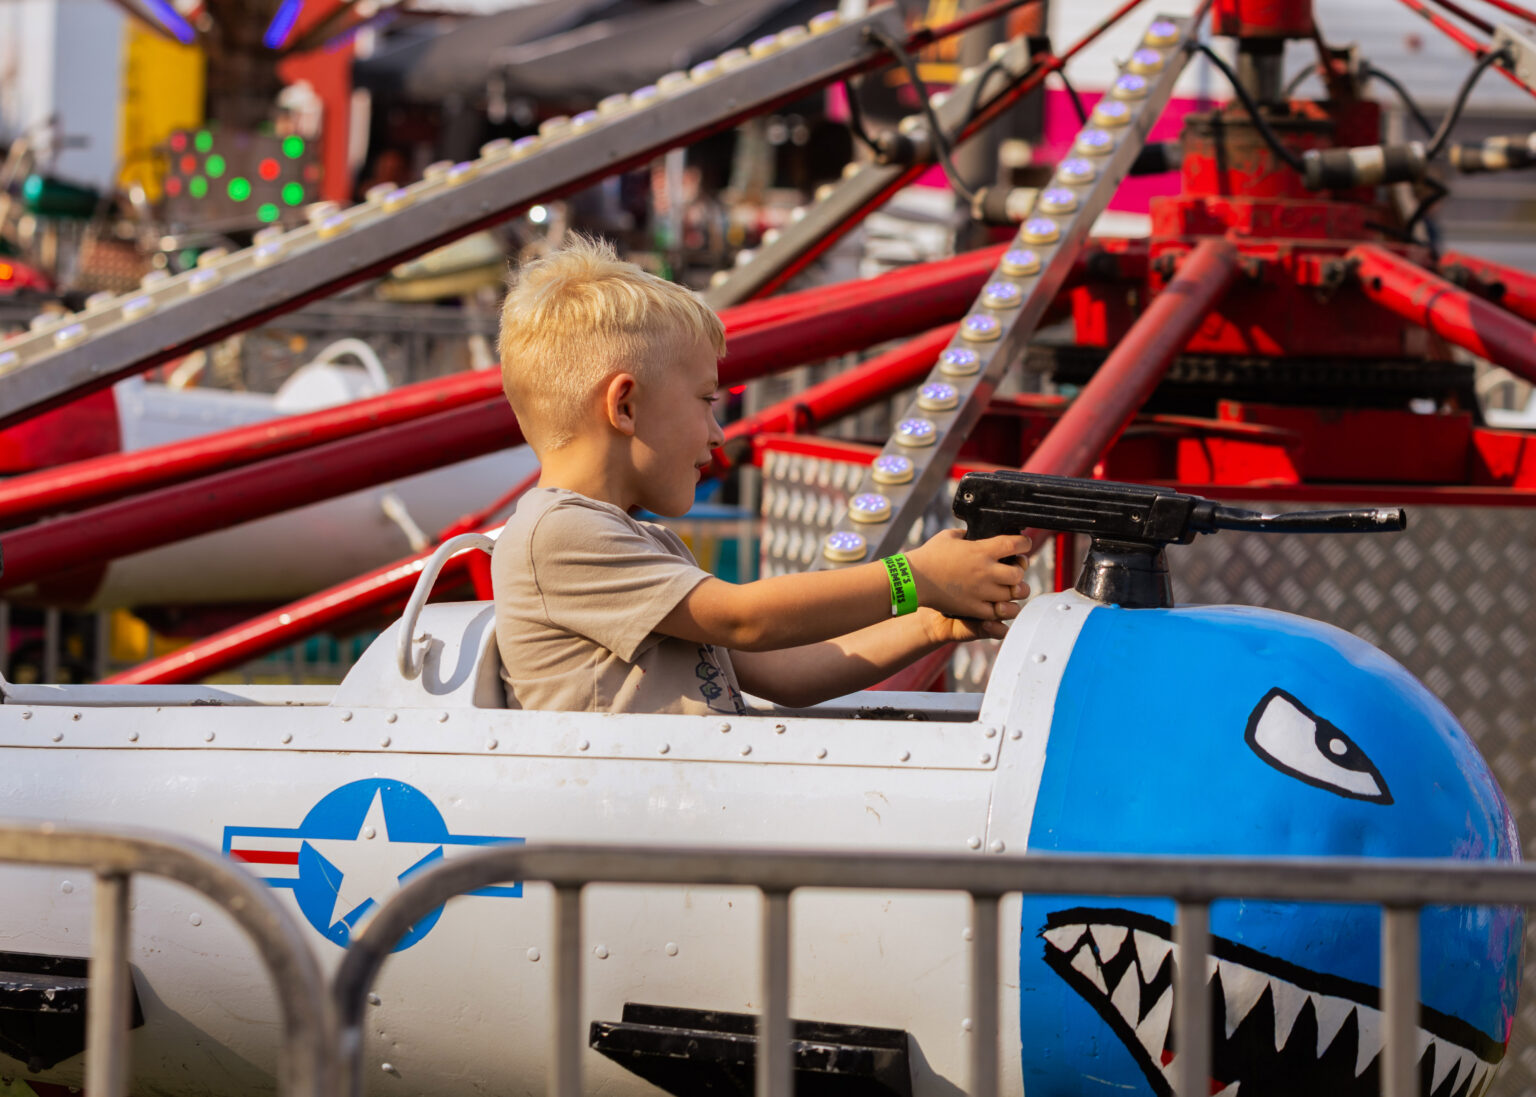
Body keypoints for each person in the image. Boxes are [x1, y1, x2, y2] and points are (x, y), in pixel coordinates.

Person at [491, 236, 1032, 714]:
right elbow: (745, 619)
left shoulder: (644, 543)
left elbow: (783, 674)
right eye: (706, 401)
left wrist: (930, 621)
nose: (718, 433)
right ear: (626, 407)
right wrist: (914, 577)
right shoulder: (555, 535)